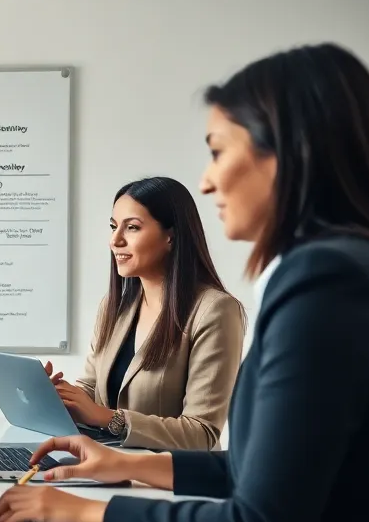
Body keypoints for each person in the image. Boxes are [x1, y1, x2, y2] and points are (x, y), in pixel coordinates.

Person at [0, 43, 369, 522]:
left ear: (290, 153)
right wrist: (125, 464)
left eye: (219, 150)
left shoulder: (327, 282)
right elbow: (269, 471)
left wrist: (81, 514)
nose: (207, 179)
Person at [44, 176, 245, 450]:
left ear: (170, 236)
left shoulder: (215, 311)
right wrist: (61, 397)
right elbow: (91, 390)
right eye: (114, 227)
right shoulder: (113, 307)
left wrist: (111, 419)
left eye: (132, 228)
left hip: (165, 479)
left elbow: (202, 434)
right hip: (102, 464)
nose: (115, 240)